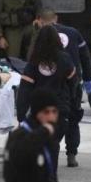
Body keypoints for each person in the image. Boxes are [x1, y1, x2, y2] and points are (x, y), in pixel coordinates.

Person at [30, 8, 91, 168]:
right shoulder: (73, 32)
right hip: (72, 82)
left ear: (40, 20)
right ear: (56, 18)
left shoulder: (40, 36)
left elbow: (31, 59)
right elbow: (85, 56)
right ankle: (71, 154)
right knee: (73, 118)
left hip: (47, 85)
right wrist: (87, 78)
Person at [16, 25, 75, 168]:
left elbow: (25, 89)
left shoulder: (33, 61)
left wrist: (21, 114)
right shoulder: (65, 58)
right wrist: (71, 102)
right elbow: (73, 83)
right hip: (59, 108)